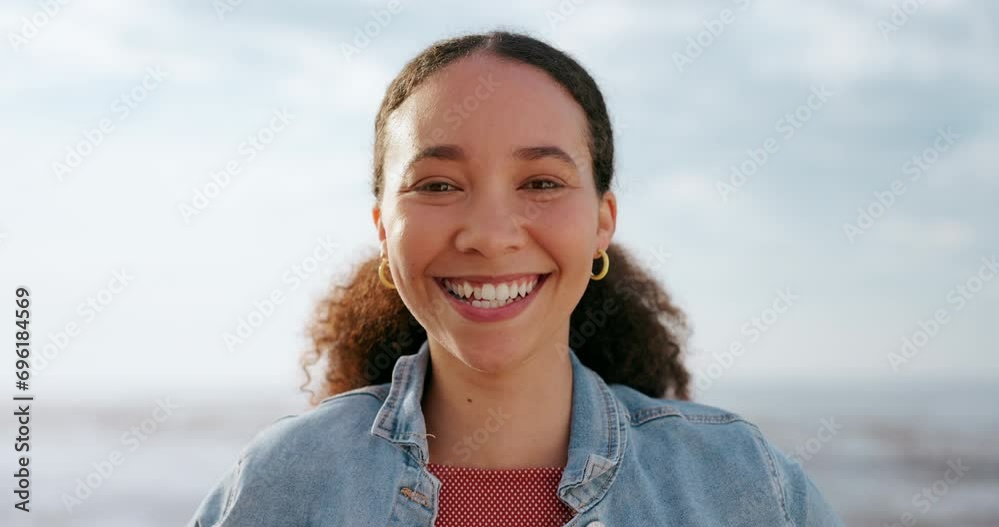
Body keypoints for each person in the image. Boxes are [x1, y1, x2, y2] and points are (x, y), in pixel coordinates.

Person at [187, 30, 843, 526]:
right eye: (438, 184)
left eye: (541, 183)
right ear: (385, 228)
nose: (490, 233)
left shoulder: (740, 485)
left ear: (600, 223)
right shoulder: (283, 484)